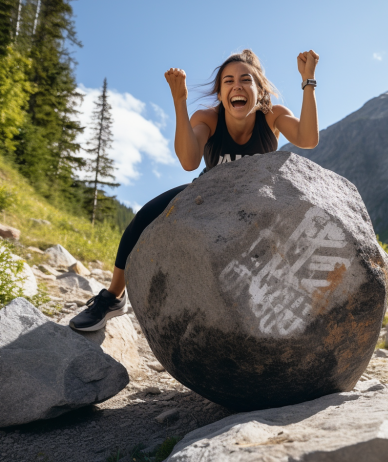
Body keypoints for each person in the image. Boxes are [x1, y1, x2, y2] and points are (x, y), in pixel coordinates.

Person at [70, 48, 320, 332]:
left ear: (260, 90)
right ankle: (114, 297)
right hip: (209, 195)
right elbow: (189, 162)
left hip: (256, 204)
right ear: (220, 93)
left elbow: (308, 139)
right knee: (144, 217)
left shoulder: (272, 116)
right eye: (228, 81)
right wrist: (180, 102)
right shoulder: (209, 118)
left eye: (246, 79)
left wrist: (308, 81)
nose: (237, 85)